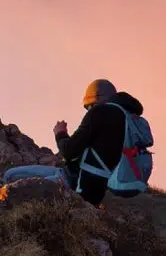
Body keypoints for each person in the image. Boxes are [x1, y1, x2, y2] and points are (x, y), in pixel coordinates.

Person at [53, 78, 147, 207]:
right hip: (110, 186)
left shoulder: (100, 112)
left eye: (89, 106)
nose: (89, 110)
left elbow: (69, 151)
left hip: (84, 187)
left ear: (95, 99)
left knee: (18, 175)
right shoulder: (129, 117)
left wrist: (60, 133)